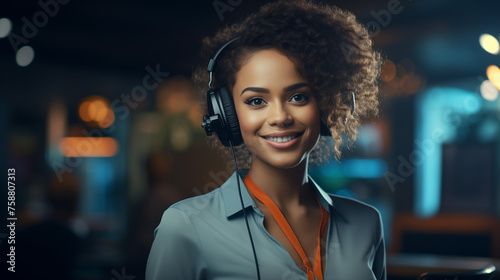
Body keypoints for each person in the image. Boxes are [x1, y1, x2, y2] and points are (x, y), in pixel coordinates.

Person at [146, 1, 385, 279]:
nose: (280, 117)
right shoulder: (186, 226)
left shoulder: (366, 223)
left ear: (328, 104)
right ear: (226, 115)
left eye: (298, 97)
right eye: (256, 101)